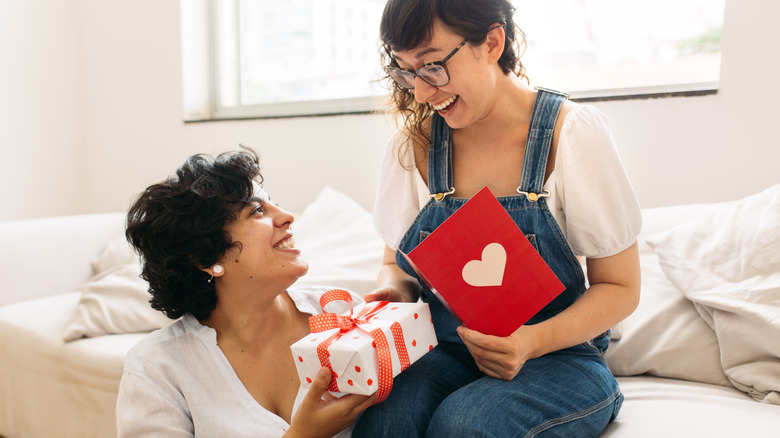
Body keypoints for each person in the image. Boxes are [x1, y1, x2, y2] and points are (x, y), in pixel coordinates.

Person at [352, 0, 642, 436]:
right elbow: (395, 263)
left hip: (557, 358)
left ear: (491, 42)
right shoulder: (412, 145)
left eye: (432, 66)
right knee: (385, 418)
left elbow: (620, 288)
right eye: (405, 70)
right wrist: (392, 290)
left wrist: (529, 342)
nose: (421, 92)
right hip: (447, 351)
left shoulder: (572, 134)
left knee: (466, 424)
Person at [116, 149, 376, 437]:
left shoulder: (341, 312)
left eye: (274, 204)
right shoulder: (157, 368)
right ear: (204, 258)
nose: (287, 217)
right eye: (257, 211)